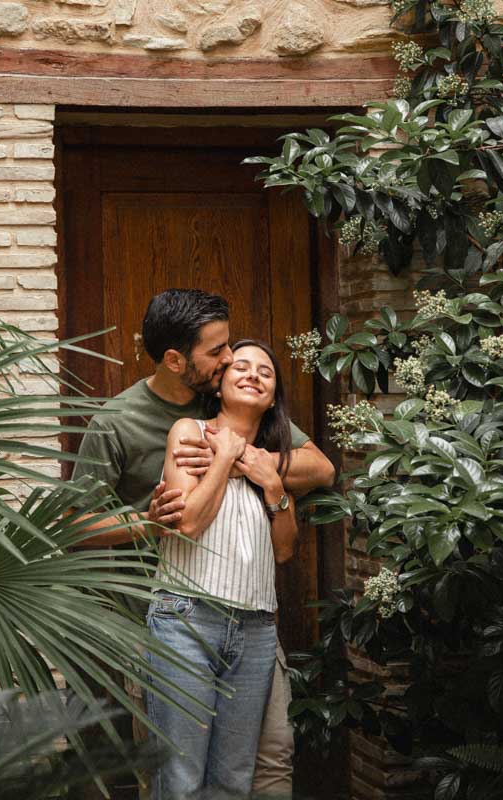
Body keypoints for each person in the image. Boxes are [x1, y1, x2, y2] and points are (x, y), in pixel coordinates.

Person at [72, 289, 335, 797]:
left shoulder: (230, 396)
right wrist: (147, 523)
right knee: (174, 775)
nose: (233, 360)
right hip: (161, 614)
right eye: (217, 352)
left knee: (239, 773)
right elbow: (74, 526)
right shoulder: (120, 421)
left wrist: (247, 460)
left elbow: (318, 467)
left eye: (229, 346)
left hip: (249, 612)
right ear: (175, 360)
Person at [145, 339, 298, 799]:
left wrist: (271, 481)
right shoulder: (189, 432)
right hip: (186, 618)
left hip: (255, 628)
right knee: (179, 778)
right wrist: (227, 458)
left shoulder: (271, 458)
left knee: (233, 780)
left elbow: (285, 551)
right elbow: (185, 524)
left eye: (265, 372)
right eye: (241, 367)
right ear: (221, 384)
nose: (253, 374)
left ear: (272, 398)